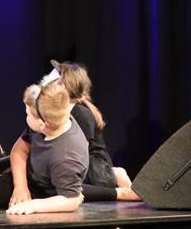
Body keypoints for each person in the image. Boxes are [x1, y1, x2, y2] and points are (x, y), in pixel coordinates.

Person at [0, 80, 90, 214]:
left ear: (42, 125)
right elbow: (19, 150)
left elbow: (70, 200)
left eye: (27, 114)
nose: (26, 117)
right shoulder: (52, 118)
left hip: (40, 190)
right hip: (28, 172)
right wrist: (20, 187)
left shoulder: (66, 157)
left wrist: (33, 205)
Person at [55, 61, 137, 192]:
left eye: (57, 80)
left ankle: (117, 176)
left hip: (95, 171)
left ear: (65, 84)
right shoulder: (66, 111)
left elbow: (80, 150)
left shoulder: (80, 112)